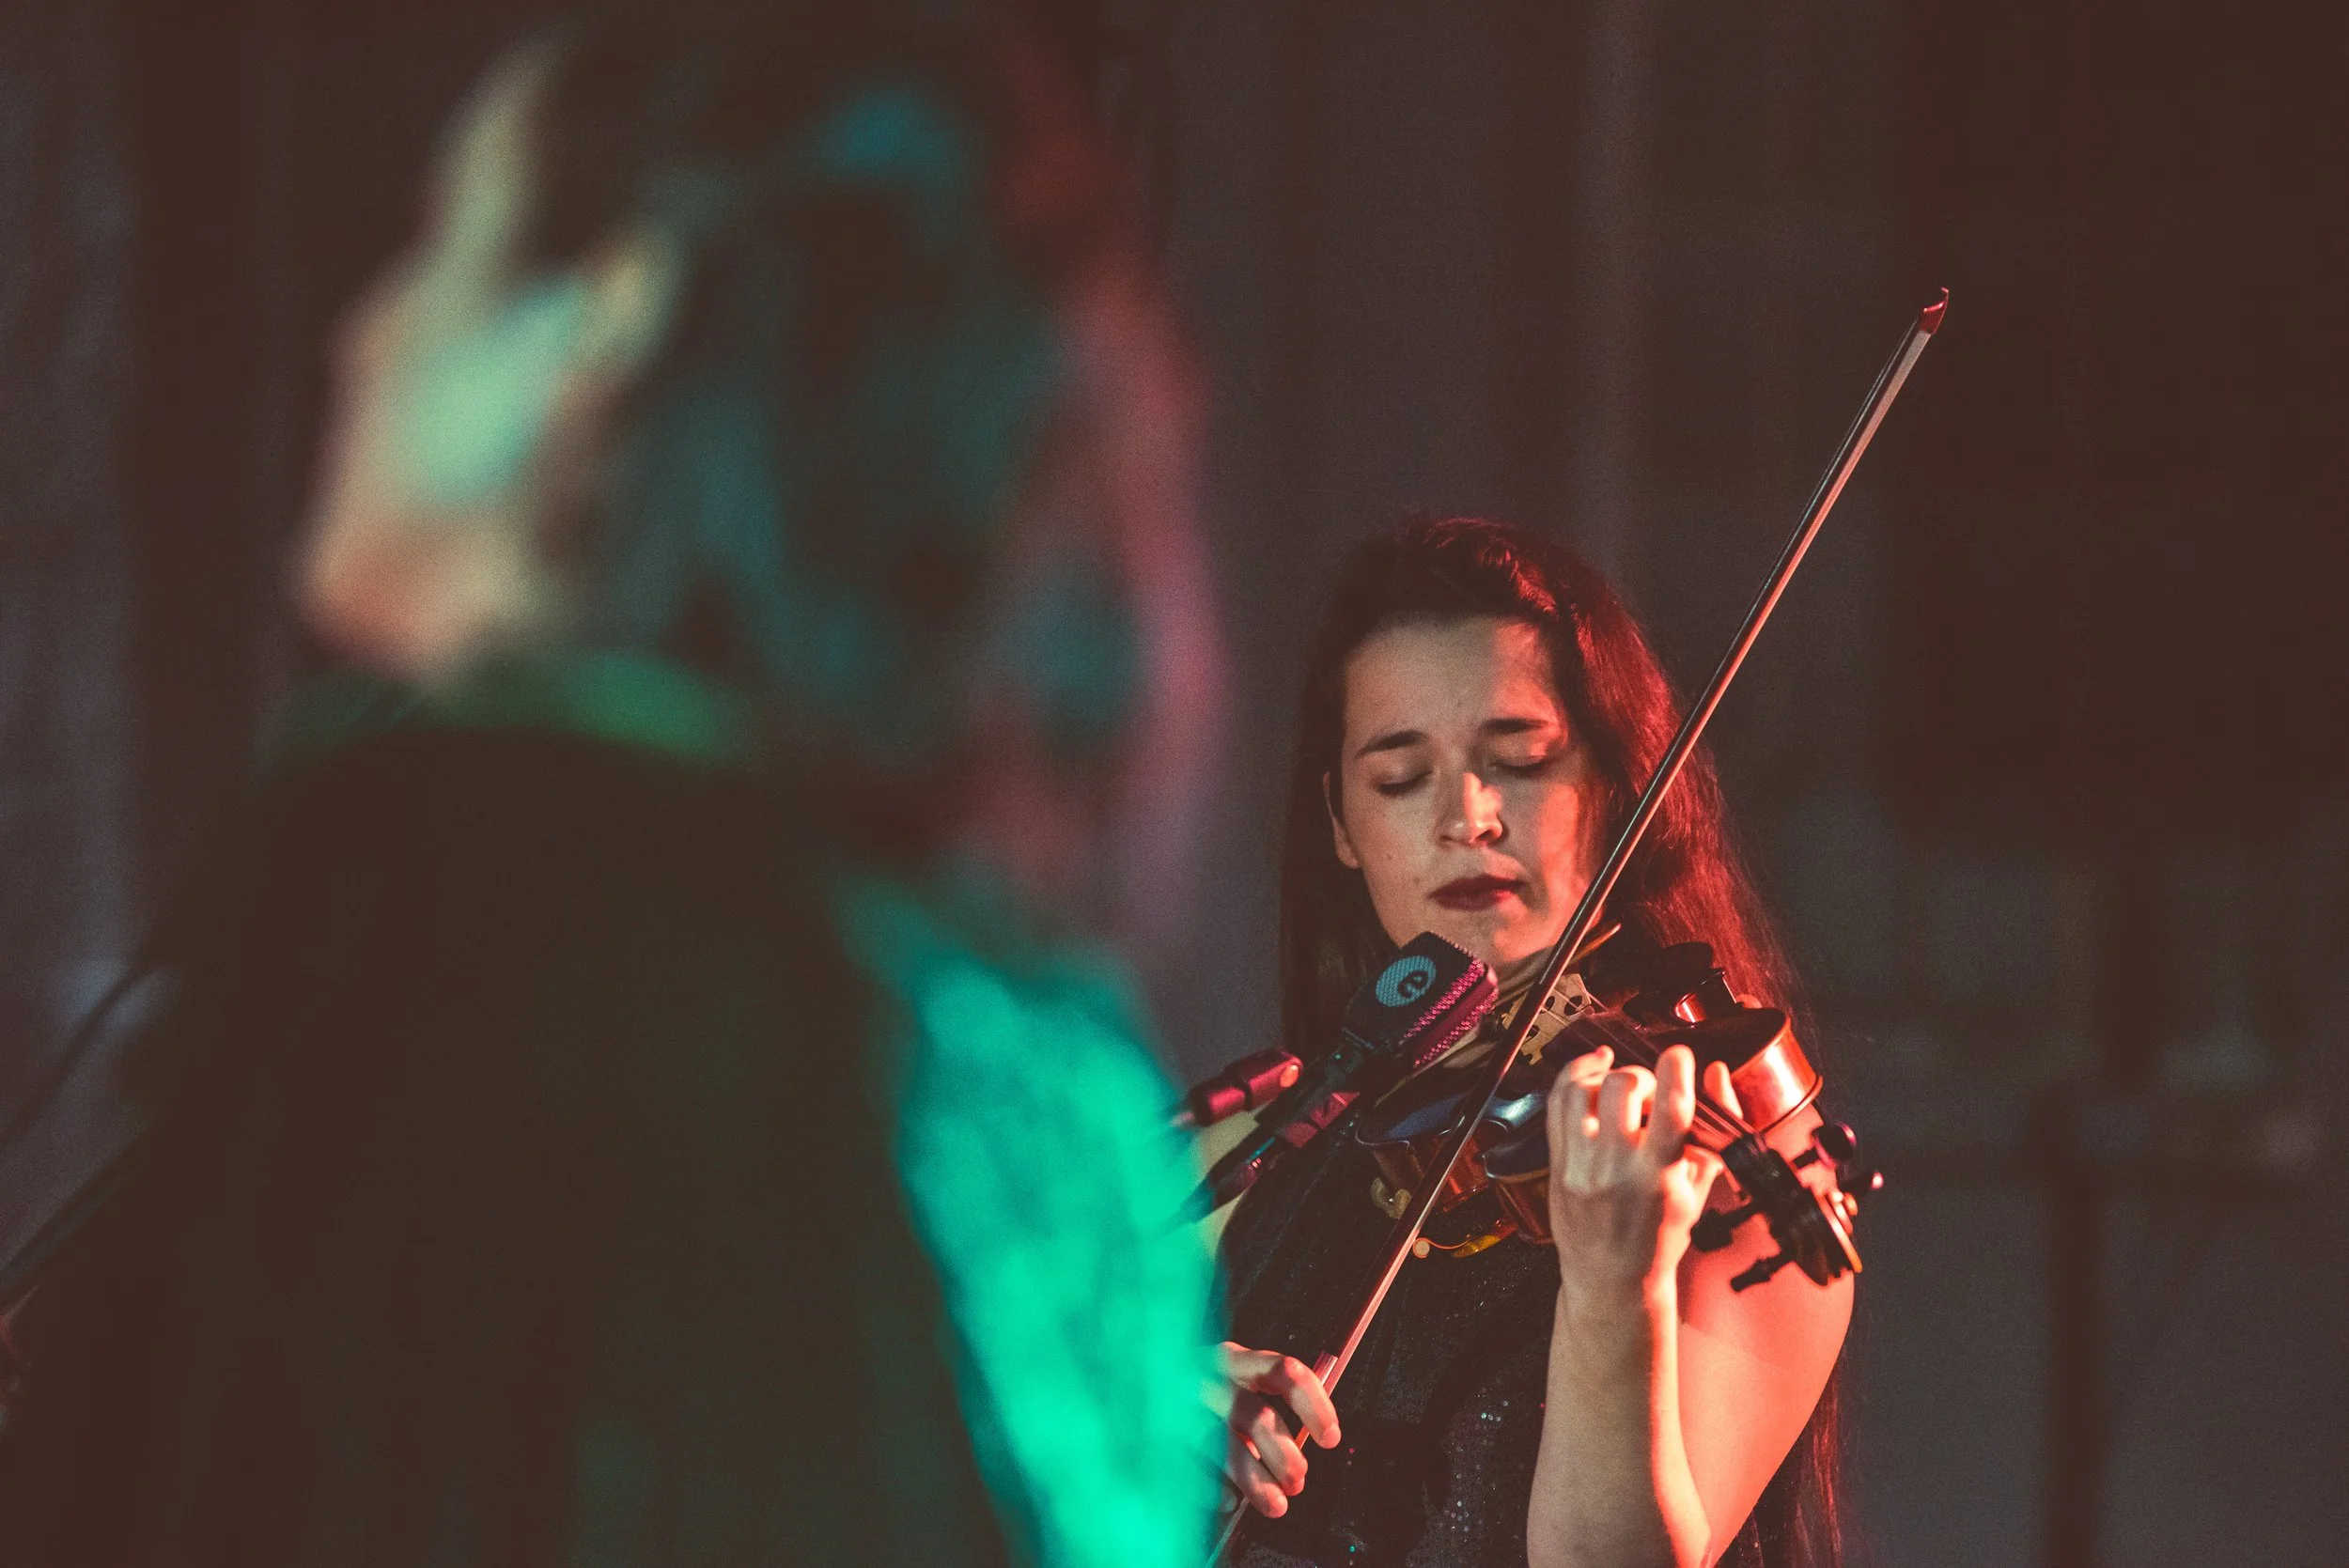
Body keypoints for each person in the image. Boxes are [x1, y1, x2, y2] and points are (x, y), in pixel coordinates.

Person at [0, 6, 1223, 1565]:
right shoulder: (1033, 1039)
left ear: (610, 325)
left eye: (443, 254)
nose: (362, 332)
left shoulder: (433, 944)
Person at [1214, 516, 1850, 1568]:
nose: (1468, 815)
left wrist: (1614, 1291)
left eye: (1518, 761)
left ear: (1610, 787)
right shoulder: (1251, 1149)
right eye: (1399, 777)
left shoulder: (1738, 1168)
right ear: (1338, 824)